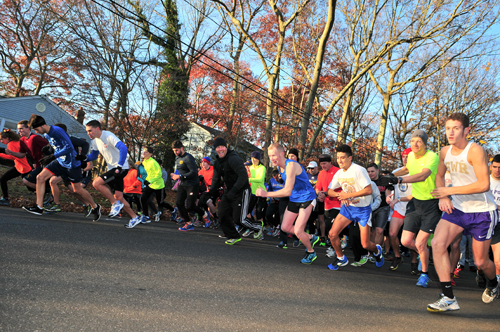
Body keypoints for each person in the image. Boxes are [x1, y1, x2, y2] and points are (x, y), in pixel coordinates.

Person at [427, 113, 498, 312]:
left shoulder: (475, 150)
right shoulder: (444, 151)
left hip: (482, 212)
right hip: (457, 209)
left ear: (466, 130)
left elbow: (484, 184)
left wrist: (449, 191)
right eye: (448, 127)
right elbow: (439, 177)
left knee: (481, 262)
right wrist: (443, 197)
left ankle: (493, 283)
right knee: (438, 243)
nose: (450, 132)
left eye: (456, 128)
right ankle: (448, 297)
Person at [381, 129, 441, 288]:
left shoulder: (432, 157)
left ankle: (424, 274)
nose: (415, 144)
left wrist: (398, 179)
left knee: (420, 242)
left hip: (431, 204)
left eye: (419, 141)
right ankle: (425, 254)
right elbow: (407, 168)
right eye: (412, 141)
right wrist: (389, 177)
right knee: (406, 240)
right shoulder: (412, 157)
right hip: (415, 204)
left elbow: (422, 176)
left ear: (425, 143)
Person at [22, 114, 101, 221]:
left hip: (72, 164)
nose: (36, 132)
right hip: (60, 161)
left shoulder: (57, 131)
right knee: (40, 178)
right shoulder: (47, 135)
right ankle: (39, 207)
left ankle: (95, 207)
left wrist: (53, 156)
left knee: (76, 190)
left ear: (42, 125)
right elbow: (57, 147)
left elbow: (69, 147)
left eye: (36, 129)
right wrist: (49, 151)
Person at [256, 143, 320, 264]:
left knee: (299, 231)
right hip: (295, 199)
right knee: (285, 227)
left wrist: (266, 194)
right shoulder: (280, 168)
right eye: (270, 156)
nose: (272, 158)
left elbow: (287, 190)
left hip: (307, 198)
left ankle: (311, 252)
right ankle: (311, 237)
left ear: (282, 154)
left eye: (274, 155)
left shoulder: (290, 165)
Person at [326, 144, 385, 270]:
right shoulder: (339, 173)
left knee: (365, 244)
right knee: (332, 234)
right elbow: (329, 191)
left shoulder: (359, 170)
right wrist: (340, 195)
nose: (340, 161)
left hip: (363, 210)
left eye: (343, 158)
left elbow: (368, 190)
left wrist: (349, 195)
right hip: (347, 209)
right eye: (338, 158)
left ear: (350, 158)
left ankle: (377, 250)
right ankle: (341, 258)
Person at [84, 120, 140, 226]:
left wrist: (119, 165)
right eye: (87, 131)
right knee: (119, 196)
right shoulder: (95, 141)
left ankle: (114, 204)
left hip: (120, 168)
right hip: (113, 169)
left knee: (96, 183)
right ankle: (134, 217)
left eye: (90, 131)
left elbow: (123, 148)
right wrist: (83, 158)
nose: (88, 133)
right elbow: (94, 156)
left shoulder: (108, 135)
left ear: (97, 129)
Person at [209, 137, 263, 244]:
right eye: (217, 147)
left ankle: (257, 226)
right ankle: (233, 235)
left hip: (242, 190)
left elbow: (243, 177)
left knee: (239, 219)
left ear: (226, 147)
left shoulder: (233, 159)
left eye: (222, 147)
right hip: (229, 191)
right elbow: (215, 180)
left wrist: (233, 191)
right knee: (222, 214)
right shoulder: (218, 162)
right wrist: (209, 194)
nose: (220, 149)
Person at [45, 123, 91, 213]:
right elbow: (54, 152)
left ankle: (89, 205)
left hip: (72, 167)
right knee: (53, 182)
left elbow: (85, 144)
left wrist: (81, 156)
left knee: (75, 190)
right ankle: (56, 204)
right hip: (63, 167)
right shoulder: (57, 140)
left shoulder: (70, 139)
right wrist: (47, 150)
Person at [5, 120, 49, 200]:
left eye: (21, 128)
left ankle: (48, 193)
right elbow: (22, 154)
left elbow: (49, 146)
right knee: (35, 181)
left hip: (46, 164)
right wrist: (11, 153)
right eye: (18, 129)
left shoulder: (35, 138)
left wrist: (46, 158)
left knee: (27, 180)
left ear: (28, 128)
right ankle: (47, 196)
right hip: (38, 164)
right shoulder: (22, 140)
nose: (19, 131)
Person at [386, 148, 413, 271]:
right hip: (398, 208)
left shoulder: (419, 172)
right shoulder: (396, 172)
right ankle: (397, 256)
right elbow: (389, 187)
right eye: (404, 156)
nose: (406, 159)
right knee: (392, 233)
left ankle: (414, 261)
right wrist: (389, 196)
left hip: (413, 209)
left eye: (409, 156)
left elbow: (417, 194)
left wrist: (399, 199)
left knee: (411, 239)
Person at [137, 146, 175, 226]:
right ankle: (146, 216)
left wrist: (150, 181)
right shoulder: (144, 162)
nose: (143, 153)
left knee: (160, 202)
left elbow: (159, 174)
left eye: (146, 152)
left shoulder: (153, 162)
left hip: (158, 186)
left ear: (150, 154)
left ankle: (173, 210)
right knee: (143, 198)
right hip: (150, 185)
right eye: (143, 151)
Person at [315, 154, 341, 258]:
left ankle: (333, 247)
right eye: (321, 164)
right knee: (328, 228)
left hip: (338, 204)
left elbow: (341, 187)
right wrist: (319, 194)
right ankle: (337, 245)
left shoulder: (338, 171)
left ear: (331, 162)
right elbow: (318, 187)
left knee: (330, 226)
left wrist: (324, 193)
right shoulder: (321, 173)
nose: (323, 166)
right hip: (326, 204)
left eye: (325, 163)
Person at [0, 129, 32, 205]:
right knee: (3, 179)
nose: (1, 141)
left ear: (7, 138)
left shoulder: (11, 144)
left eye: (2, 139)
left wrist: (0, 155)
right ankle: (5, 198)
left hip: (24, 169)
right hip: (19, 167)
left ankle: (46, 196)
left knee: (31, 187)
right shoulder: (15, 142)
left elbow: (12, 157)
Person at [367, 163, 393, 249]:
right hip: (370, 207)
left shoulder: (384, 180)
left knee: (380, 230)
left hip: (383, 208)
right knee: (371, 232)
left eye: (372, 171)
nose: (370, 173)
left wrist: (388, 197)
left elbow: (388, 190)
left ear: (377, 171)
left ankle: (377, 252)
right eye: (368, 171)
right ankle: (371, 251)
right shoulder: (366, 181)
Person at [244, 151, 267, 240]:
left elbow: (260, 179)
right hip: (253, 193)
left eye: (255, 158)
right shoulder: (250, 167)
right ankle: (253, 228)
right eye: (252, 158)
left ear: (258, 159)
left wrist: (249, 179)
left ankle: (260, 233)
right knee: (247, 212)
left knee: (259, 214)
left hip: (261, 193)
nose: (253, 160)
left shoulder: (262, 168)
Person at [307, 161, 326, 245]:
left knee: (321, 219)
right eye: (309, 168)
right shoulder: (307, 176)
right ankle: (311, 236)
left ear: (316, 168)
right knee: (310, 219)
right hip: (310, 201)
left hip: (319, 201)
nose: (310, 170)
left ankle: (323, 238)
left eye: (312, 168)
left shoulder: (321, 175)